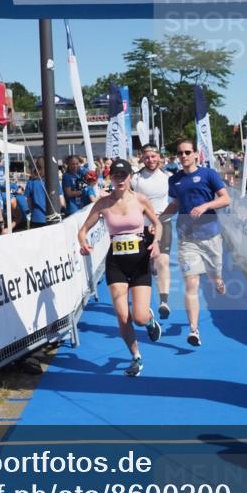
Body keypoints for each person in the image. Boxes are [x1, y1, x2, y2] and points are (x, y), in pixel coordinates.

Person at [78, 159, 162, 377]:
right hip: (116, 264)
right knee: (123, 317)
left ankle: (149, 321)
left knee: (139, 317)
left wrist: (156, 242)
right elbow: (83, 230)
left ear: (130, 177)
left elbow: (157, 224)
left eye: (124, 175)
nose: (120, 179)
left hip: (140, 261)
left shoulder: (140, 200)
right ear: (111, 178)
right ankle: (136, 357)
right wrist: (83, 243)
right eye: (116, 175)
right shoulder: (103, 204)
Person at [160, 138, 230, 347]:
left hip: (211, 236)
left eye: (187, 152)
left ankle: (218, 280)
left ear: (195, 154)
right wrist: (158, 220)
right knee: (191, 283)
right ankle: (194, 330)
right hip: (187, 239)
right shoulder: (174, 180)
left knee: (214, 276)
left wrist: (205, 206)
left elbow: (225, 199)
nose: (183, 156)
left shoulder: (209, 174)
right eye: (180, 153)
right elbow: (176, 204)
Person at [132, 144, 174, 319]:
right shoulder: (135, 179)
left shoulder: (168, 177)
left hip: (163, 225)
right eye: (147, 157)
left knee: (163, 261)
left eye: (153, 156)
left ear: (159, 157)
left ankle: (164, 301)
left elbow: (175, 203)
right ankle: (144, 303)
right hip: (140, 227)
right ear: (142, 157)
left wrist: (158, 222)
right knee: (144, 265)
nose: (150, 160)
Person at [25, 158, 50, 228]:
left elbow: (28, 201)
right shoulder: (53, 181)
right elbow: (61, 201)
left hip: (36, 217)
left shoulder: (31, 182)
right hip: (52, 216)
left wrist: (31, 211)